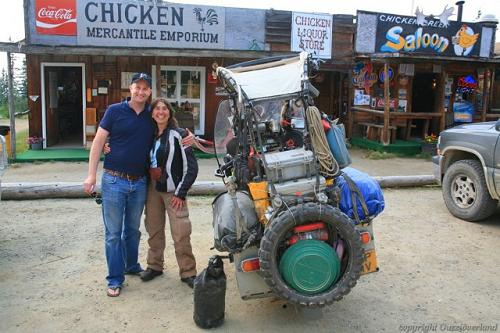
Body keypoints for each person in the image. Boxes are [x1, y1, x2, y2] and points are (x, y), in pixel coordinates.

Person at [83, 72, 154, 297]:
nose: (140, 91)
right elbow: (98, 142)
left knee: (132, 230)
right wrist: (91, 175)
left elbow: (169, 131)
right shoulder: (114, 111)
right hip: (113, 180)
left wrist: (188, 137)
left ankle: (131, 265)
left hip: (140, 182)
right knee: (113, 234)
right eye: (137, 87)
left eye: (145, 88)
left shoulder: (152, 116)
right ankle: (115, 278)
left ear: (150, 92)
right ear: (130, 89)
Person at [139, 98, 198, 288]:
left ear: (170, 113)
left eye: (164, 109)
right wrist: (109, 146)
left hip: (174, 190)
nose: (160, 112)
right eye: (157, 109)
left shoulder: (180, 135)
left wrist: (181, 193)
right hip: (153, 189)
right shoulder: (147, 134)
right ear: (152, 113)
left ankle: (188, 271)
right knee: (153, 229)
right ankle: (154, 265)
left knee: (181, 232)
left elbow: (191, 167)